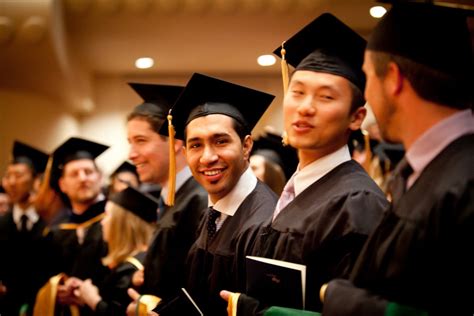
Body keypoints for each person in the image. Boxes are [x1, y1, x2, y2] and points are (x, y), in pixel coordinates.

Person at [222, 13, 388, 314]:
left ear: (356, 117)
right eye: (297, 92)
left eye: (326, 97)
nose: (305, 107)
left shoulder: (358, 203)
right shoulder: (298, 187)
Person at [320, 3, 474, 315]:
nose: (367, 96)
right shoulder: (419, 172)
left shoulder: (465, 183)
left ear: (393, 78)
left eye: (366, 78)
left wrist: (345, 301)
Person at [148, 72, 278, 316]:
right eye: (196, 145)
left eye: (220, 141)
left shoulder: (266, 225)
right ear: (185, 152)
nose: (207, 157)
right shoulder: (211, 214)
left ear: (246, 146)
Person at [125, 82, 208, 310]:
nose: (131, 155)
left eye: (140, 141)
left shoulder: (199, 201)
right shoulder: (173, 199)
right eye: (129, 143)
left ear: (175, 140)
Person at [35, 137, 110, 315]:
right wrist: (57, 291)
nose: (83, 178)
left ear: (99, 178)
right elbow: (39, 281)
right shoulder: (54, 233)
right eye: (74, 174)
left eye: (88, 171)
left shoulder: (116, 223)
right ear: (62, 185)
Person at [75, 186, 158, 315]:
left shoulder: (132, 270)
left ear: (122, 224)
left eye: (107, 215)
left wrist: (93, 300)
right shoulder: (144, 258)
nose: (102, 222)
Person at [0, 141, 50, 316]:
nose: (12, 182)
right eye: (8, 176)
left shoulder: (51, 225)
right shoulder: (1, 223)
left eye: (19, 175)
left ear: (36, 180)